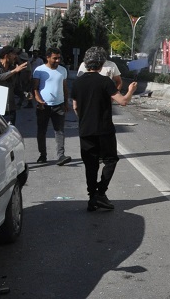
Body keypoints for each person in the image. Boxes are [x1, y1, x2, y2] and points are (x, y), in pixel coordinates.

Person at [70, 47, 138, 212]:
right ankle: (101, 192)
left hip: (85, 129)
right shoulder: (105, 81)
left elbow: (75, 106)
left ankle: (92, 197)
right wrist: (130, 91)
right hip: (104, 129)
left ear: (86, 63)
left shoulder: (77, 82)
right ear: (101, 64)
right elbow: (122, 101)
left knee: (90, 164)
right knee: (110, 160)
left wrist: (84, 120)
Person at [33, 47, 71, 165]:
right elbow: (35, 88)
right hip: (43, 106)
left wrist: (66, 102)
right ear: (48, 57)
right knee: (42, 131)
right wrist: (39, 100)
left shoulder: (62, 70)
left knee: (59, 131)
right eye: (55, 58)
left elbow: (65, 87)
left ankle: (61, 156)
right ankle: (42, 155)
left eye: (59, 58)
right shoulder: (39, 70)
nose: (57, 60)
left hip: (59, 106)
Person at [0, 47, 29, 124]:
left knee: (11, 130)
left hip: (10, 109)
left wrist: (25, 94)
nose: (15, 56)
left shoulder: (13, 69)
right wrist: (14, 71)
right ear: (6, 56)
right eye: (14, 54)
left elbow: (15, 88)